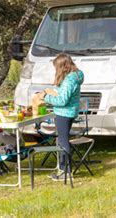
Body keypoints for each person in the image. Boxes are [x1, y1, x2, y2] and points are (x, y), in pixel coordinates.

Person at [39, 53, 84, 181]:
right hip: (69, 112)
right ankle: (63, 169)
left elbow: (62, 101)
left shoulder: (70, 80)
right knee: (63, 140)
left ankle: (66, 171)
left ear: (62, 66)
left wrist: (45, 97)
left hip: (64, 113)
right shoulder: (75, 76)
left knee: (63, 141)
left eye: (56, 67)